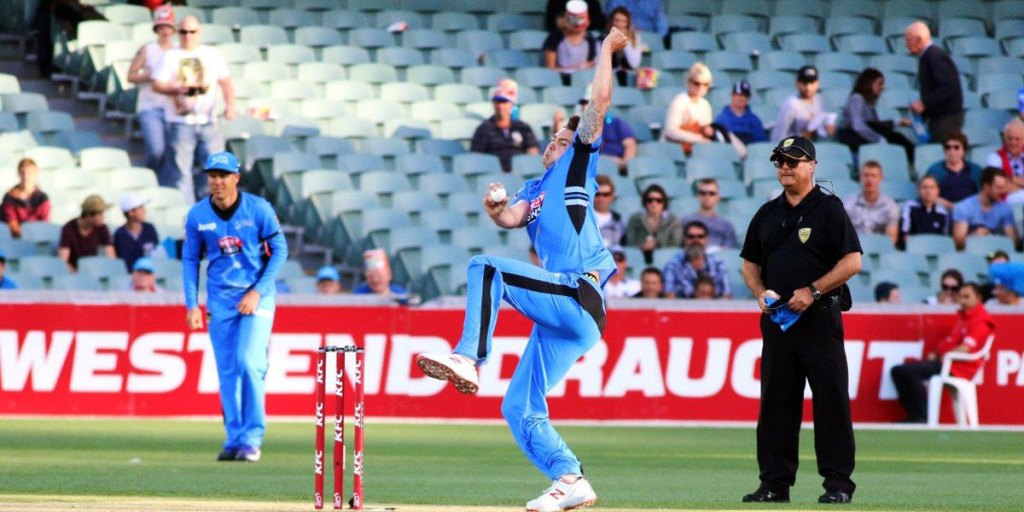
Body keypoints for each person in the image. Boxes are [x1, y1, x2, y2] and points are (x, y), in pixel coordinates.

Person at [414, 28, 629, 512]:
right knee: (518, 407)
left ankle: (470, 356)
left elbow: (599, 100)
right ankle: (570, 479)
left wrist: (605, 51)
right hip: (566, 316)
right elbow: (509, 218)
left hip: (580, 292)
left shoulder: (578, 163)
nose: (556, 143)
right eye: (555, 139)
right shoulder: (534, 188)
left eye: (564, 138)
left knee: (484, 267)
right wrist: (494, 205)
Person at [740, 136, 862, 504]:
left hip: (819, 319)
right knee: (776, 403)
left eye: (794, 161)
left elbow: (852, 261)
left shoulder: (828, 210)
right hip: (779, 324)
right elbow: (749, 264)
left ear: (812, 166)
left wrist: (813, 290)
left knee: (830, 401)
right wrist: (759, 291)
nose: (785, 167)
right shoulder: (767, 213)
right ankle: (775, 484)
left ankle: (838, 484)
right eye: (779, 161)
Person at [182, 151, 288, 462]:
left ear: (236, 178)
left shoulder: (258, 209)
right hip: (220, 300)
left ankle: (253, 437)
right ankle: (235, 439)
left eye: (223, 175)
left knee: (248, 362)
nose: (217, 181)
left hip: (256, 296)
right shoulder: (198, 216)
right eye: (212, 176)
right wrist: (192, 304)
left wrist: (257, 291)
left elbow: (280, 250)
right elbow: (190, 260)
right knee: (227, 372)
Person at [153, 15, 236, 203]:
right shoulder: (171, 55)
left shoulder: (211, 53)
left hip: (208, 120)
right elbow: (157, 84)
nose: (188, 36)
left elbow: (226, 81)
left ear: (199, 32)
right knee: (181, 172)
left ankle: (207, 207)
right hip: (180, 122)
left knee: (216, 168)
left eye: (192, 32)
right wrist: (175, 89)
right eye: (183, 32)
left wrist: (231, 105)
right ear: (178, 33)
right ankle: (187, 213)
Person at [890, 282, 993, 423]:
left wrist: (944, 355)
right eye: (960, 297)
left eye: (967, 297)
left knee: (908, 372)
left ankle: (921, 416)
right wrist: (938, 353)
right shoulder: (964, 318)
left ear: (978, 298)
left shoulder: (981, 321)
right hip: (947, 362)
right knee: (899, 371)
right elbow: (952, 343)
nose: (962, 301)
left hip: (958, 367)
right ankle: (916, 415)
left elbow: (966, 348)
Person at [128, 4, 177, 172]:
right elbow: (130, 76)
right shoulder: (147, 49)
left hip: (173, 107)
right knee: (157, 150)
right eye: (161, 26)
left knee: (173, 152)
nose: (165, 30)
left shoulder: (178, 51)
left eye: (168, 26)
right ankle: (150, 175)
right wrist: (147, 76)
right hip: (150, 106)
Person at [835, 68, 915, 164]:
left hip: (861, 138)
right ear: (869, 83)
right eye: (879, 83)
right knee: (895, 138)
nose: (882, 87)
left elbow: (876, 125)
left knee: (896, 138)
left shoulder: (869, 104)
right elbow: (858, 126)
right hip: (850, 138)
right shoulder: (857, 98)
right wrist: (878, 139)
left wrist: (896, 122)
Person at [905, 21, 964, 144]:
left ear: (919, 40)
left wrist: (924, 103)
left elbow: (947, 87)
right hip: (941, 118)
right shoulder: (929, 55)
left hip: (946, 120)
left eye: (908, 40)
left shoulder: (933, 56)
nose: (906, 45)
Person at [555, 88, 637, 173]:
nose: (585, 106)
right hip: (590, 168)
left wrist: (624, 164)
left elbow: (630, 144)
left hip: (617, 168)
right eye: (584, 103)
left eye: (590, 102)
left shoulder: (617, 123)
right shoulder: (580, 127)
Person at [470, 78, 540, 173]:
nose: (500, 106)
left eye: (504, 102)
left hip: (520, 173)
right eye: (497, 102)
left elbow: (533, 152)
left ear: (511, 104)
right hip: (494, 175)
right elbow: (476, 158)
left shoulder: (523, 127)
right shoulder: (484, 128)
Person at [951, 167, 1018, 250]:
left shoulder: (1006, 209)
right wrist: (973, 237)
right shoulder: (964, 207)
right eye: (999, 188)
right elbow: (958, 243)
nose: (1003, 191)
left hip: (998, 253)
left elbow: (1012, 243)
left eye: (1004, 187)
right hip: (971, 253)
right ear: (986, 187)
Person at [662, 220, 731, 298]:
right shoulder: (672, 265)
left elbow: (726, 296)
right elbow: (669, 297)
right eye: (691, 237)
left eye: (700, 236)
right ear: (684, 239)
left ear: (706, 239)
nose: (696, 240)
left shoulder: (719, 265)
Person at [661, 62, 714, 155]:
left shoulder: (706, 105)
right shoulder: (679, 101)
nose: (701, 87)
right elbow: (670, 131)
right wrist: (698, 139)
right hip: (672, 149)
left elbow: (705, 132)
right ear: (689, 82)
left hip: (695, 150)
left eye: (705, 84)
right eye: (697, 83)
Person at [772, 65, 835, 142]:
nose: (808, 87)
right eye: (804, 83)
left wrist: (827, 128)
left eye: (812, 82)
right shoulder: (791, 104)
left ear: (817, 84)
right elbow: (778, 137)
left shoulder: (819, 99)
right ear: (797, 83)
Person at [543, 0, 600, 83]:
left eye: (581, 19)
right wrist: (576, 69)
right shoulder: (555, 37)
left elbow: (593, 65)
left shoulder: (590, 39)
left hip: (585, 82)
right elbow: (550, 69)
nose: (577, 24)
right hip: (561, 81)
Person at [843, 161, 899, 244]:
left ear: (880, 178)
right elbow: (843, 234)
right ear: (861, 178)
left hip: (880, 252)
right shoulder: (848, 204)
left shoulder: (890, 206)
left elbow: (891, 240)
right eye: (866, 175)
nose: (869, 179)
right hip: (855, 251)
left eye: (873, 176)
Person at [624, 183, 682, 262]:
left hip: (665, 260)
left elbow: (675, 244)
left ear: (664, 203)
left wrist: (657, 244)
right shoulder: (635, 220)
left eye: (659, 200)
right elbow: (630, 243)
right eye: (650, 200)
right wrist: (642, 247)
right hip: (639, 259)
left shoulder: (673, 221)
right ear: (645, 202)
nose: (654, 204)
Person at [58, 194, 116, 273]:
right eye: (100, 213)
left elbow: (111, 256)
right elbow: (63, 261)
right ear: (89, 215)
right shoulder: (69, 228)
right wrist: (78, 274)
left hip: (94, 270)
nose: (103, 217)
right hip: (74, 273)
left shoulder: (102, 228)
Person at [926, 132, 982, 210]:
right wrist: (950, 206)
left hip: (971, 211)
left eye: (956, 147)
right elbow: (928, 195)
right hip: (945, 210)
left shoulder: (975, 170)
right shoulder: (935, 170)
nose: (952, 151)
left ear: (964, 151)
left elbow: (983, 195)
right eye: (948, 147)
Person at [680, 178, 739, 249]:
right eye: (703, 193)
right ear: (698, 196)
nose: (707, 196)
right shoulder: (686, 221)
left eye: (711, 193)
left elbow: (729, 251)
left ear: (718, 197)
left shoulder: (726, 226)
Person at [1, 158, 50, 239]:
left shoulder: (42, 198)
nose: (25, 176)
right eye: (23, 172)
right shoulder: (10, 198)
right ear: (18, 174)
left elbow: (44, 223)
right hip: (16, 239)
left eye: (29, 173)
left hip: (38, 237)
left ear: (35, 174)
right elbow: (12, 223)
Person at [898, 175, 951, 249]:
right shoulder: (909, 207)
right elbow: (904, 235)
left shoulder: (943, 213)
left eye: (932, 187)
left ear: (937, 191)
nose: (928, 191)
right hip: (914, 251)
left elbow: (944, 239)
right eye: (924, 187)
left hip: (935, 251)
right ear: (918, 190)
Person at [113, 193, 160, 272]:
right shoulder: (120, 235)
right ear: (131, 212)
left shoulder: (150, 228)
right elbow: (126, 264)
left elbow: (157, 254)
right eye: (141, 208)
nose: (145, 210)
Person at [714, 80, 767, 145]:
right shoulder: (721, 119)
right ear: (732, 95)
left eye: (745, 96)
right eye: (739, 95)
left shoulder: (755, 120)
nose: (742, 98)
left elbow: (759, 145)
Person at [985, 119, 1024, 200]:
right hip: (1004, 204)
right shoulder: (995, 157)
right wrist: (1019, 182)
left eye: (1017, 139)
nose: (1013, 143)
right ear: (1004, 139)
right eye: (1010, 138)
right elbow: (997, 187)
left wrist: (1011, 179)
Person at [606, 6, 642, 86]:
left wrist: (625, 40)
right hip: (609, 78)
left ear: (628, 24)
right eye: (617, 20)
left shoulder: (634, 38)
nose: (619, 24)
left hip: (628, 79)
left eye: (623, 21)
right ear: (611, 22)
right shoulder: (603, 39)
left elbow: (634, 64)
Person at [593, 175, 625, 247]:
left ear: (612, 196)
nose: (601, 198)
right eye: (597, 194)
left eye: (606, 194)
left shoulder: (619, 222)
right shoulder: (582, 219)